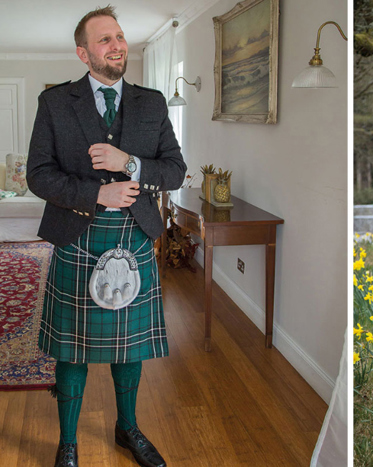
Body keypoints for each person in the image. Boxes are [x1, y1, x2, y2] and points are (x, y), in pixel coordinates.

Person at [27, 6, 186, 467]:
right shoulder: (55, 103)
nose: (118, 46)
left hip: (134, 237)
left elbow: (175, 171)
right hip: (78, 234)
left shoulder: (152, 102)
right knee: (71, 349)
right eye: (104, 40)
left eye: (120, 37)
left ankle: (128, 428)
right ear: (83, 53)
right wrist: (99, 193)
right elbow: (38, 175)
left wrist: (129, 164)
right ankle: (68, 442)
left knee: (128, 345)